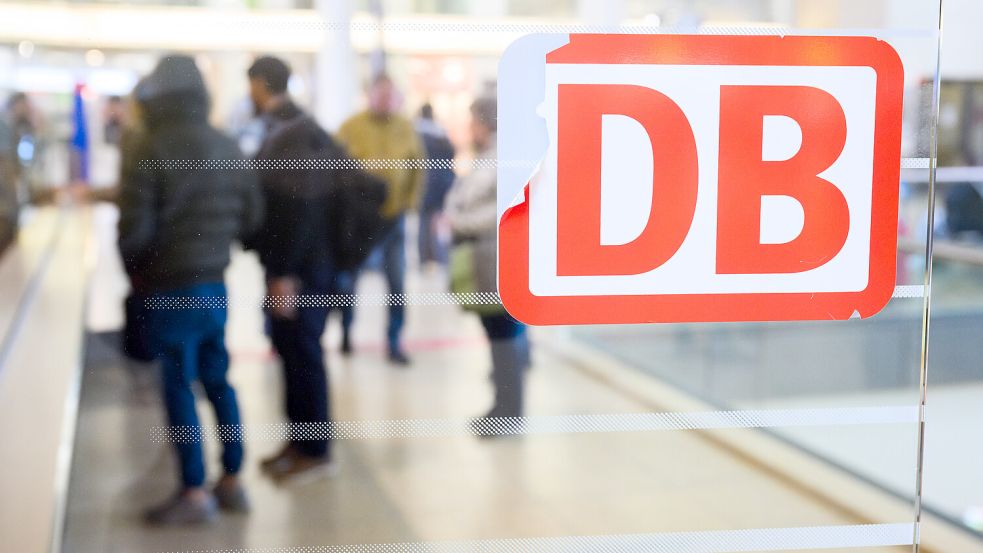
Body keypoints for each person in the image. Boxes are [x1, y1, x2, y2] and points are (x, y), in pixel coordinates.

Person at [117, 55, 264, 524]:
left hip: (166, 288)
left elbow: (133, 234)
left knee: (179, 386)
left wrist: (137, 271)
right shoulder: (226, 144)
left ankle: (193, 492)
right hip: (214, 286)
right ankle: (233, 480)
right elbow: (253, 218)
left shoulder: (150, 147)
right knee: (219, 379)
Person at [246, 55, 341, 480]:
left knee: (303, 352)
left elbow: (298, 210)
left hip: (303, 268)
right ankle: (299, 441)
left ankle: (315, 451)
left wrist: (284, 273)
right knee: (291, 350)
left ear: (262, 84)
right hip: (301, 264)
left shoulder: (292, 132)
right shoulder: (295, 127)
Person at [445, 95, 531, 423]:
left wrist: (459, 221)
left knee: (504, 333)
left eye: (474, 121)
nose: (470, 128)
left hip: (498, 256)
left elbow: (502, 206)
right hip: (484, 256)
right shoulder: (486, 156)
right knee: (496, 332)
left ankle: (508, 410)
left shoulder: (503, 157)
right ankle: (502, 405)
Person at [337, 73, 425, 365]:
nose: (386, 100)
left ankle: (394, 341)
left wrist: (410, 204)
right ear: (369, 95)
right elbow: (335, 169)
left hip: (394, 219)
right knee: (349, 281)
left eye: (391, 95)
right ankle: (346, 333)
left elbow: (418, 167)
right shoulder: (351, 127)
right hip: (360, 222)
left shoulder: (406, 127)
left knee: (397, 282)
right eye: (380, 94)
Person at [415, 103, 456, 268]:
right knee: (438, 221)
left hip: (424, 183)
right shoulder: (441, 134)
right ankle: (440, 258)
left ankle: (424, 259)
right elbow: (452, 154)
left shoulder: (416, 134)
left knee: (424, 223)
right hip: (441, 183)